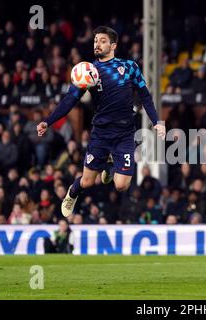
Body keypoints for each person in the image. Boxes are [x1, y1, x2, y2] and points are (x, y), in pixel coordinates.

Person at [36, 26, 165, 217]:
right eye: (95, 40)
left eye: (102, 40)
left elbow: (145, 96)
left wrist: (157, 121)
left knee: (121, 186)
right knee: (87, 182)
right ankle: (72, 193)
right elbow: (70, 99)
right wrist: (48, 121)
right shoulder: (88, 71)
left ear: (113, 45)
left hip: (124, 133)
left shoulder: (130, 67)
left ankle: (110, 166)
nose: (97, 44)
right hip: (101, 134)